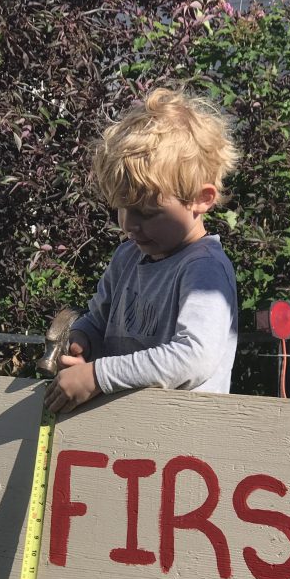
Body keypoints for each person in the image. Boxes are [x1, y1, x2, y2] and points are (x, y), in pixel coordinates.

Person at [44, 88, 239, 415]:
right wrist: (83, 338)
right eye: (123, 209)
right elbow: (99, 319)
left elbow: (194, 358)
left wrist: (97, 375)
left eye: (147, 213)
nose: (130, 225)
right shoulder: (128, 256)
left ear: (201, 199)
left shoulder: (204, 269)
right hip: (129, 432)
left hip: (185, 442)